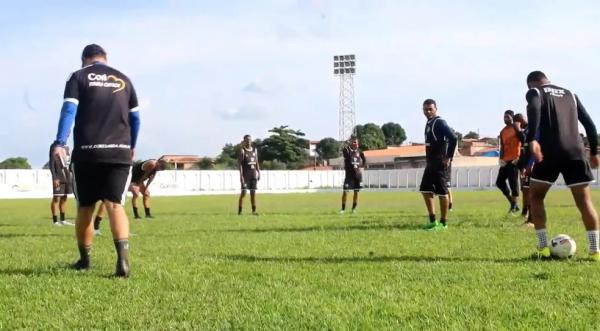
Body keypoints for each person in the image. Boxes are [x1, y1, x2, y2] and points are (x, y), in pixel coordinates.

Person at [51, 44, 140, 277]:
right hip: (120, 152)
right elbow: (136, 118)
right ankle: (122, 262)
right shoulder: (124, 79)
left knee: (85, 207)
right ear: (105, 58)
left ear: (84, 60)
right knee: (115, 205)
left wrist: (60, 142)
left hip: (88, 152)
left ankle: (85, 260)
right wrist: (131, 146)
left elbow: (69, 110)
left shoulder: (78, 76)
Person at [525, 71, 600, 260]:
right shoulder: (571, 95)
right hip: (575, 152)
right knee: (584, 202)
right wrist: (594, 152)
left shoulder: (535, 92)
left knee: (535, 196)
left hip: (549, 153)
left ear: (531, 84)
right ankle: (595, 251)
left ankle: (542, 247)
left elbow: (533, 111)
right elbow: (590, 125)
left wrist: (532, 139)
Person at [420, 99, 457, 230]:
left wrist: (448, 157)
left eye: (430, 109)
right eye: (425, 109)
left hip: (440, 162)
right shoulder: (429, 123)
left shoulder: (439, 122)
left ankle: (444, 223)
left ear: (436, 109)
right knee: (425, 190)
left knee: (442, 192)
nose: (428, 111)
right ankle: (432, 220)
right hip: (431, 163)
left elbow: (453, 138)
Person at [496, 110, 522, 214]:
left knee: (513, 184)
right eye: (504, 116)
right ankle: (513, 203)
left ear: (512, 117)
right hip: (505, 161)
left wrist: (519, 157)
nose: (505, 118)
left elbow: (523, 141)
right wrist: (501, 158)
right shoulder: (502, 132)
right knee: (499, 182)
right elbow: (502, 146)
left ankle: (513, 207)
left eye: (507, 116)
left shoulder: (516, 128)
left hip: (514, 160)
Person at [514, 113, 533, 226]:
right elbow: (523, 148)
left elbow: (525, 140)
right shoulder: (525, 129)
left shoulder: (531, 128)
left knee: (530, 190)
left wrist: (517, 129)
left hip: (531, 164)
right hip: (525, 164)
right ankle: (525, 212)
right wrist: (521, 165)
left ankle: (531, 218)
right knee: (525, 189)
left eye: (519, 120)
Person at [339, 136, 366, 214]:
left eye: (356, 142)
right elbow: (347, 156)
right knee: (345, 192)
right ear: (351, 143)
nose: (356, 143)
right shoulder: (346, 150)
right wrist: (348, 146)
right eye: (354, 142)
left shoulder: (360, 151)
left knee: (356, 192)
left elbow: (364, 159)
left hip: (357, 176)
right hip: (349, 176)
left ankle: (353, 209)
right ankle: (343, 209)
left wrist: (361, 167)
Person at [49, 144, 74, 226]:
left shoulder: (67, 148)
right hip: (58, 178)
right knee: (56, 198)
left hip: (67, 177)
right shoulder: (55, 147)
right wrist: (55, 177)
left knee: (64, 198)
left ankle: (63, 220)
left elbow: (69, 163)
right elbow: (52, 165)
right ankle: (55, 221)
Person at [238, 135, 260, 215]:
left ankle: (254, 211)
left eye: (250, 140)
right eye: (247, 140)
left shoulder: (254, 150)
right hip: (245, 175)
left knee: (253, 193)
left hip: (253, 175)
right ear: (244, 141)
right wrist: (241, 176)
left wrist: (259, 172)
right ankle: (240, 211)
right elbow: (240, 164)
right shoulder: (242, 151)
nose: (249, 141)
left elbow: (256, 162)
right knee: (243, 193)